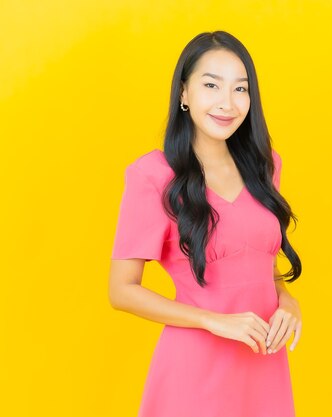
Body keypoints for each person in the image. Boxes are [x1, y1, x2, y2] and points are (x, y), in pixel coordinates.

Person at [108, 31, 303, 417]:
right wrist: (213, 321)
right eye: (211, 85)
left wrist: (289, 303)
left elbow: (262, 260)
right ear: (184, 93)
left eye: (240, 89)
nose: (227, 103)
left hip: (264, 365)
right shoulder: (152, 175)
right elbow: (121, 291)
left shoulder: (265, 166)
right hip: (194, 369)